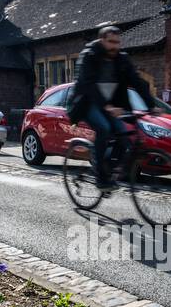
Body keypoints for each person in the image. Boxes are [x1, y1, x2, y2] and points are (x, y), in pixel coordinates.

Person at [66, 25, 161, 188]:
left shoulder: (121, 58)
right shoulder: (89, 55)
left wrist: (151, 105)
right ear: (102, 40)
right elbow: (88, 85)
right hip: (86, 103)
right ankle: (100, 177)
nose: (115, 46)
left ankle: (108, 169)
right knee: (103, 128)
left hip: (110, 105)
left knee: (123, 134)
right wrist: (108, 107)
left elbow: (137, 81)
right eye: (111, 42)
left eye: (117, 42)